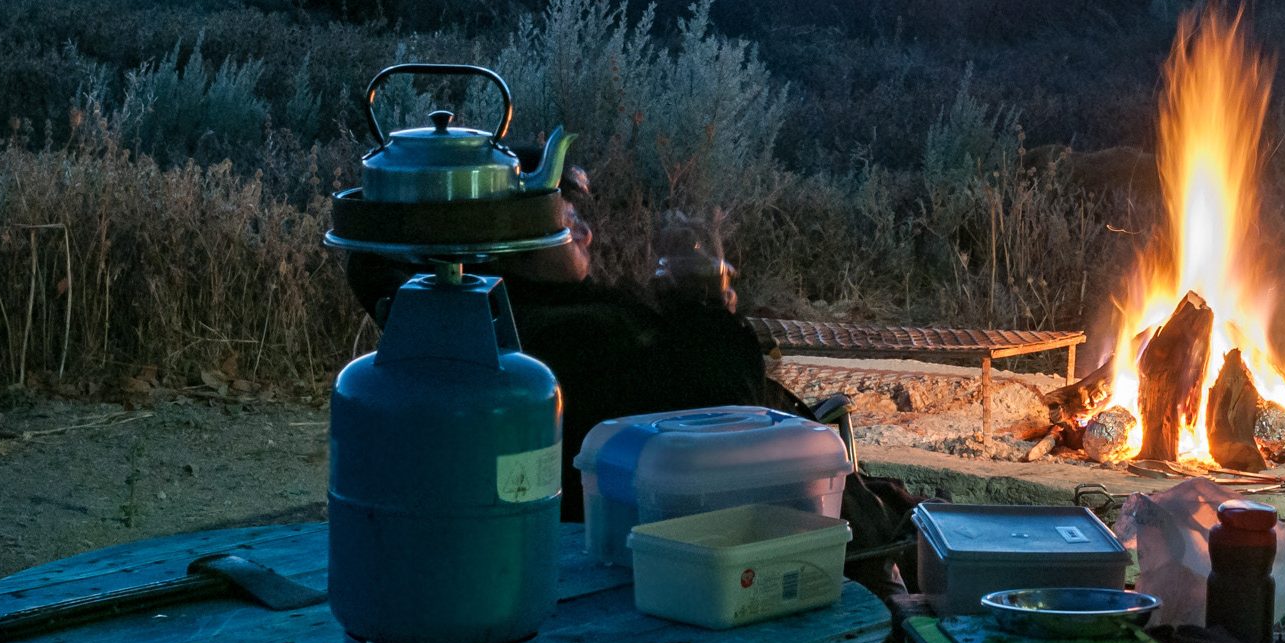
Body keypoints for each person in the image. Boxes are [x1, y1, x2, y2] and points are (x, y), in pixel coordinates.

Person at [344, 165, 913, 567]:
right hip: (718, 544)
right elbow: (721, 406)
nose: (587, 231)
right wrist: (703, 306)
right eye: (565, 220)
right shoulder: (558, 344)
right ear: (506, 237)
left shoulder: (487, 321)